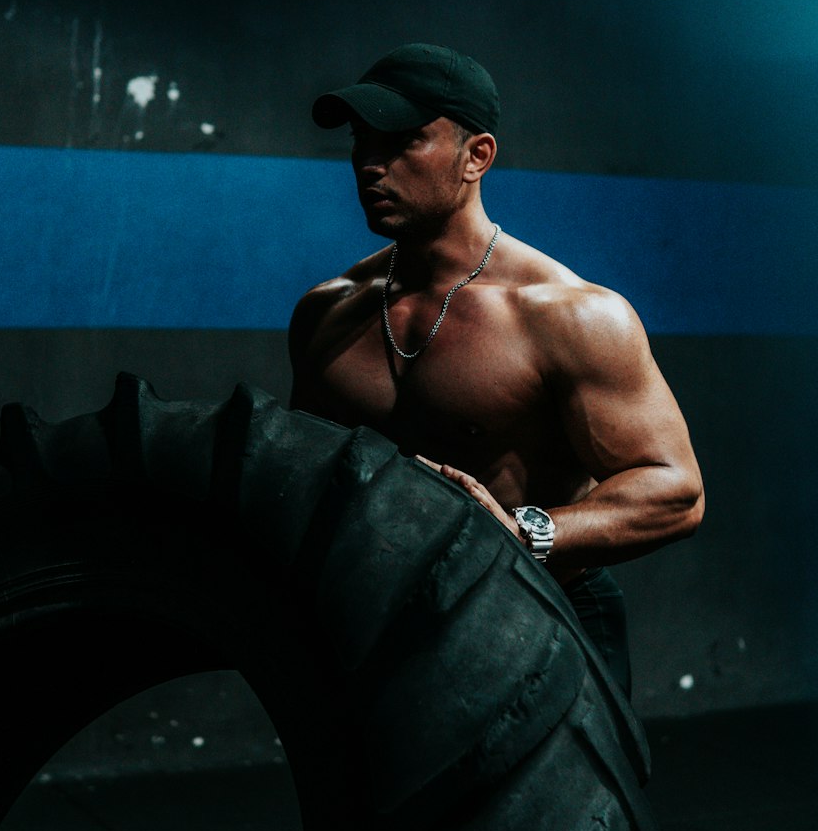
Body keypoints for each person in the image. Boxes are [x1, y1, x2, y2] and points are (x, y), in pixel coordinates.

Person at [288, 43, 704, 697]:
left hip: (539, 613)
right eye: (362, 141)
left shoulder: (569, 316)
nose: (370, 163)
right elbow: (306, 477)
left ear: (476, 156)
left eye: (402, 142)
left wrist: (523, 534)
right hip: (385, 628)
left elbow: (676, 491)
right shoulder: (327, 315)